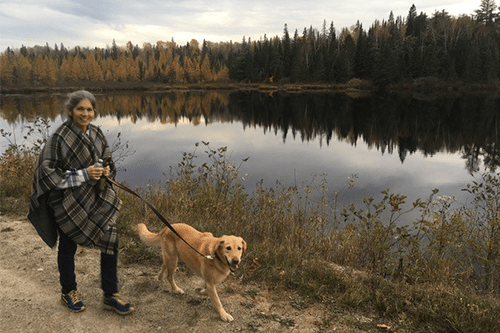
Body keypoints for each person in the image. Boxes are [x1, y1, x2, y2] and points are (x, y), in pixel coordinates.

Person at [28, 90, 135, 315]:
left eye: (89, 109)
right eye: (80, 109)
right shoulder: (59, 138)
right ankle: (69, 291)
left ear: (94, 112)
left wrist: (106, 169)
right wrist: (84, 174)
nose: (85, 113)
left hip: (96, 197)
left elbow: (107, 161)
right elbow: (48, 175)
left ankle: (110, 294)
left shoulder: (96, 133)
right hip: (67, 201)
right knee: (68, 245)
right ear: (70, 111)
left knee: (110, 240)